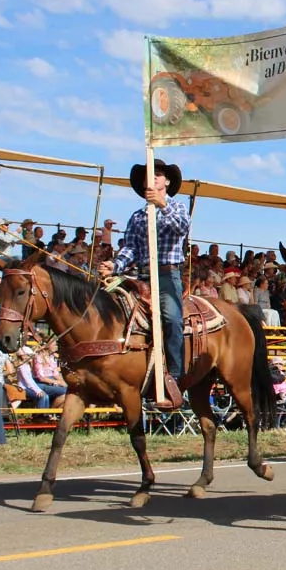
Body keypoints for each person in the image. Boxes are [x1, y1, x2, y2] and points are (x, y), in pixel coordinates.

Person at [97, 159, 189, 410]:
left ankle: (176, 375)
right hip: (143, 275)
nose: (155, 178)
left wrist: (161, 205)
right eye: (151, 174)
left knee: (171, 318)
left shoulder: (178, 207)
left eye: (159, 174)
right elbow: (131, 248)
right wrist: (114, 266)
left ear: (167, 181)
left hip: (168, 275)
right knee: (116, 309)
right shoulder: (137, 217)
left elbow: (181, 228)